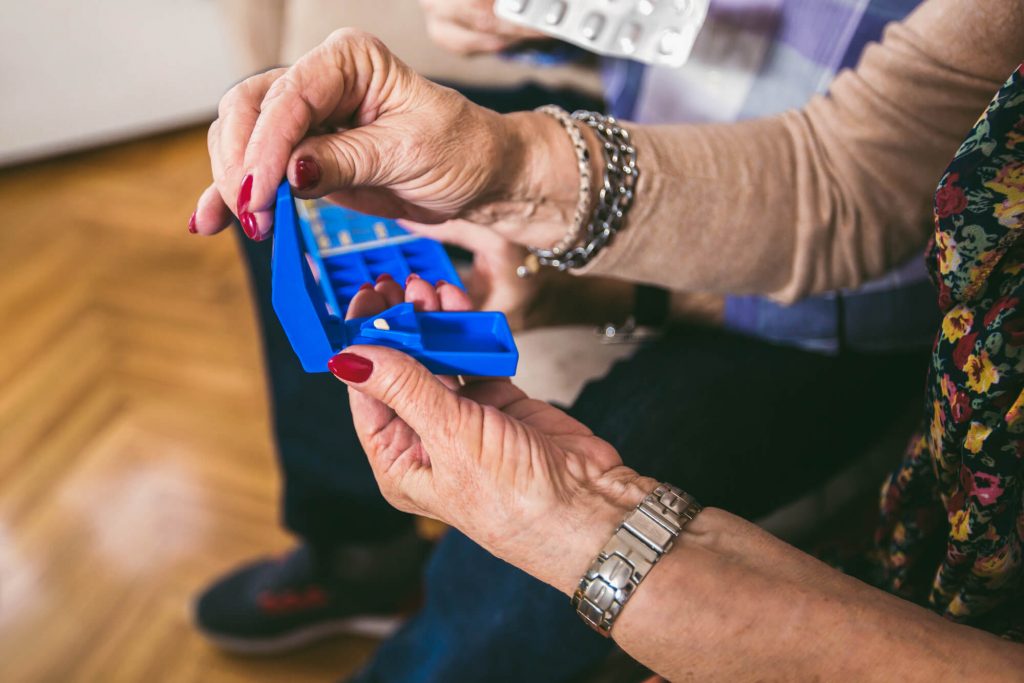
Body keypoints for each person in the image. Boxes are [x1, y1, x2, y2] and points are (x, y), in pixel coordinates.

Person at [190, 0, 1023, 678]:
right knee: (298, 159)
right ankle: (361, 554)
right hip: (660, 137)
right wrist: (551, 24)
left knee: (510, 582)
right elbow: (691, 48)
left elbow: (855, 186)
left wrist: (540, 203)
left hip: (837, 314)